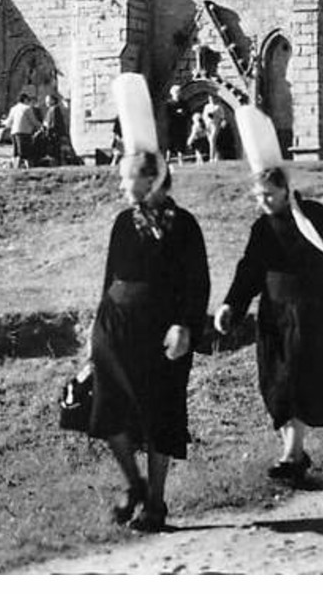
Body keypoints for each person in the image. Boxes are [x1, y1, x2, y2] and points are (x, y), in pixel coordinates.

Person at [86, 150, 210, 533]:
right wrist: (95, 331)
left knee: (161, 413)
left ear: (152, 180)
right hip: (116, 328)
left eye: (128, 177)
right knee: (106, 410)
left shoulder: (185, 226)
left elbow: (198, 284)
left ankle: (156, 501)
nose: (122, 184)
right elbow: (109, 278)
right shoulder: (124, 222)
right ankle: (133, 483)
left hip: (162, 333)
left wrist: (185, 326)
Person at [214, 167, 323, 485]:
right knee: (274, 383)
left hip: (311, 315)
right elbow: (249, 271)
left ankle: (291, 456)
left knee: (295, 380)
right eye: (258, 196)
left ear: (285, 190)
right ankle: (294, 451)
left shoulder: (316, 218)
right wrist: (231, 305)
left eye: (269, 194)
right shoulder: (262, 228)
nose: (264, 201)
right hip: (273, 316)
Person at [5, 93, 39, 168]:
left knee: (16, 152)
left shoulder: (13, 108)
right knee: (26, 153)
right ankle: (28, 168)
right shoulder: (27, 108)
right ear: (25, 100)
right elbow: (33, 120)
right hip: (24, 132)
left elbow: (9, 122)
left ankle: (16, 168)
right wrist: (40, 126)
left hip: (14, 132)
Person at [164, 86, 192, 162]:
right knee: (170, 144)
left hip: (181, 126)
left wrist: (183, 113)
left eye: (179, 92)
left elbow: (189, 113)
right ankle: (167, 160)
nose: (177, 94)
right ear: (172, 93)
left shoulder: (184, 103)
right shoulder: (169, 103)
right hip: (172, 126)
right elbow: (166, 114)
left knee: (181, 143)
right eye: (176, 92)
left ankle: (181, 160)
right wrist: (176, 113)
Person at [41, 92, 70, 166]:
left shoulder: (55, 109)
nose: (46, 102)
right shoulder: (51, 109)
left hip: (54, 134)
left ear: (53, 101)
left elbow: (53, 122)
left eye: (48, 100)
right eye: (46, 100)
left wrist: (48, 130)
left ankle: (57, 163)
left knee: (55, 150)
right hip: (52, 132)